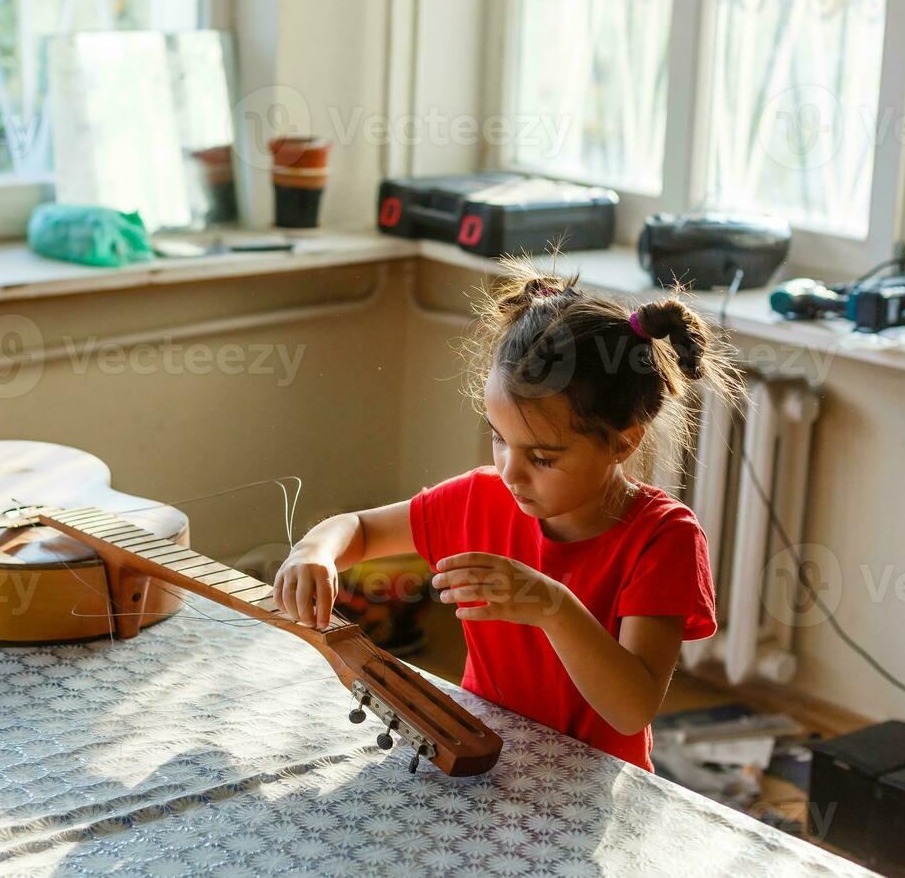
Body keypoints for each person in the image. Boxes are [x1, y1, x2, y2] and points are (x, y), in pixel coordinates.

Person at [273, 259, 745, 771]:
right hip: (479, 756)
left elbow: (631, 710)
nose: (511, 472)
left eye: (543, 458)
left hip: (584, 785)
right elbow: (359, 530)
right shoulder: (483, 496)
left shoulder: (662, 538)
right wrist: (313, 551)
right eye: (499, 439)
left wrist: (552, 606)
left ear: (623, 443)